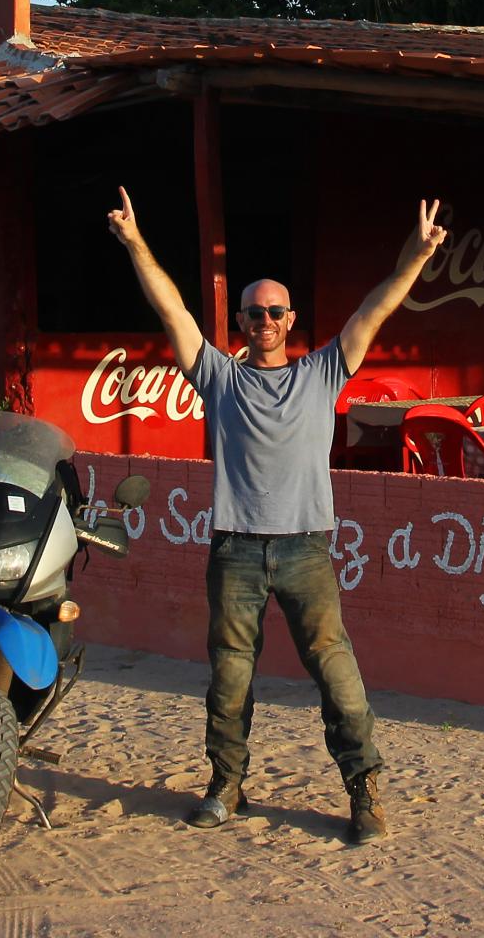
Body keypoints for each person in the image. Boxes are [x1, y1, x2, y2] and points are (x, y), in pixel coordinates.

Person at [107, 185, 447, 845]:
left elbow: (377, 307)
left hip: (305, 552)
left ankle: (364, 792)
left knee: (338, 676)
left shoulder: (322, 373)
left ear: (291, 321)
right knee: (228, 679)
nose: (263, 322)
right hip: (234, 550)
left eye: (274, 312)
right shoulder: (220, 378)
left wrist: (418, 254)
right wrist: (134, 241)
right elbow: (171, 308)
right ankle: (226, 784)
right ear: (240, 324)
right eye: (252, 314)